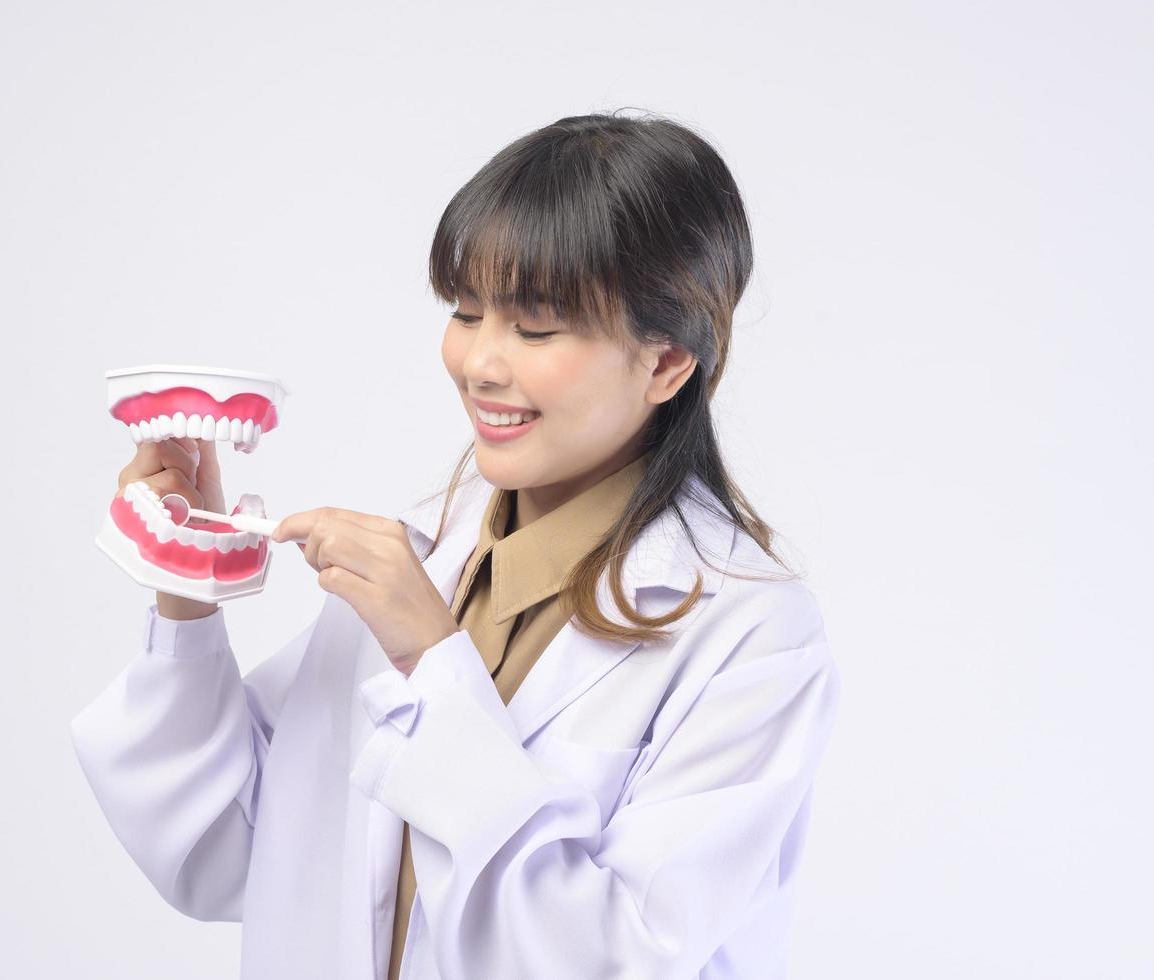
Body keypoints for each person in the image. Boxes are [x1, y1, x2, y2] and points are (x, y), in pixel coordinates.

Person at [70, 110, 842, 980]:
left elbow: (621, 956)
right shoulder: (424, 556)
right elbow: (222, 847)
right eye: (467, 312)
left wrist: (433, 660)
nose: (479, 362)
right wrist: (187, 592)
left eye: (536, 328)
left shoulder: (749, 634)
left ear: (665, 364)